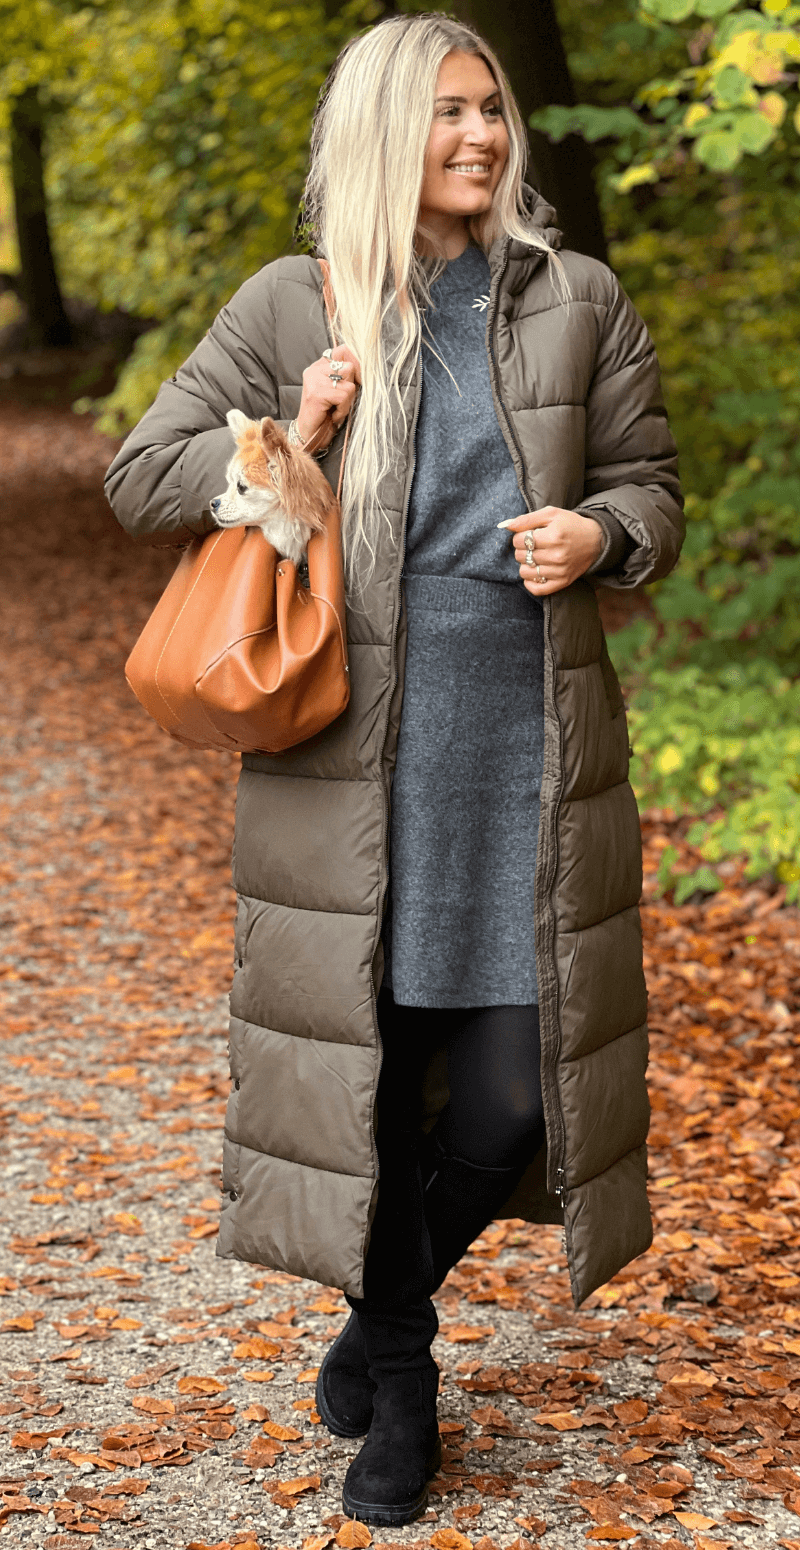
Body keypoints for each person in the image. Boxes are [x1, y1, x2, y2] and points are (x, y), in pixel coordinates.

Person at [105, 11, 684, 1528]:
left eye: (493, 111)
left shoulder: (581, 300)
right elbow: (137, 475)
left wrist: (602, 536)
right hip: (345, 765)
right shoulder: (295, 302)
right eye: (449, 115)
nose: (484, 137)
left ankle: (372, 1317)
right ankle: (409, 1393)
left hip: (527, 751)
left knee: (500, 1104)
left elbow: (653, 487)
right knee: (369, 1085)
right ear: (382, 132)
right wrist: (281, 433)